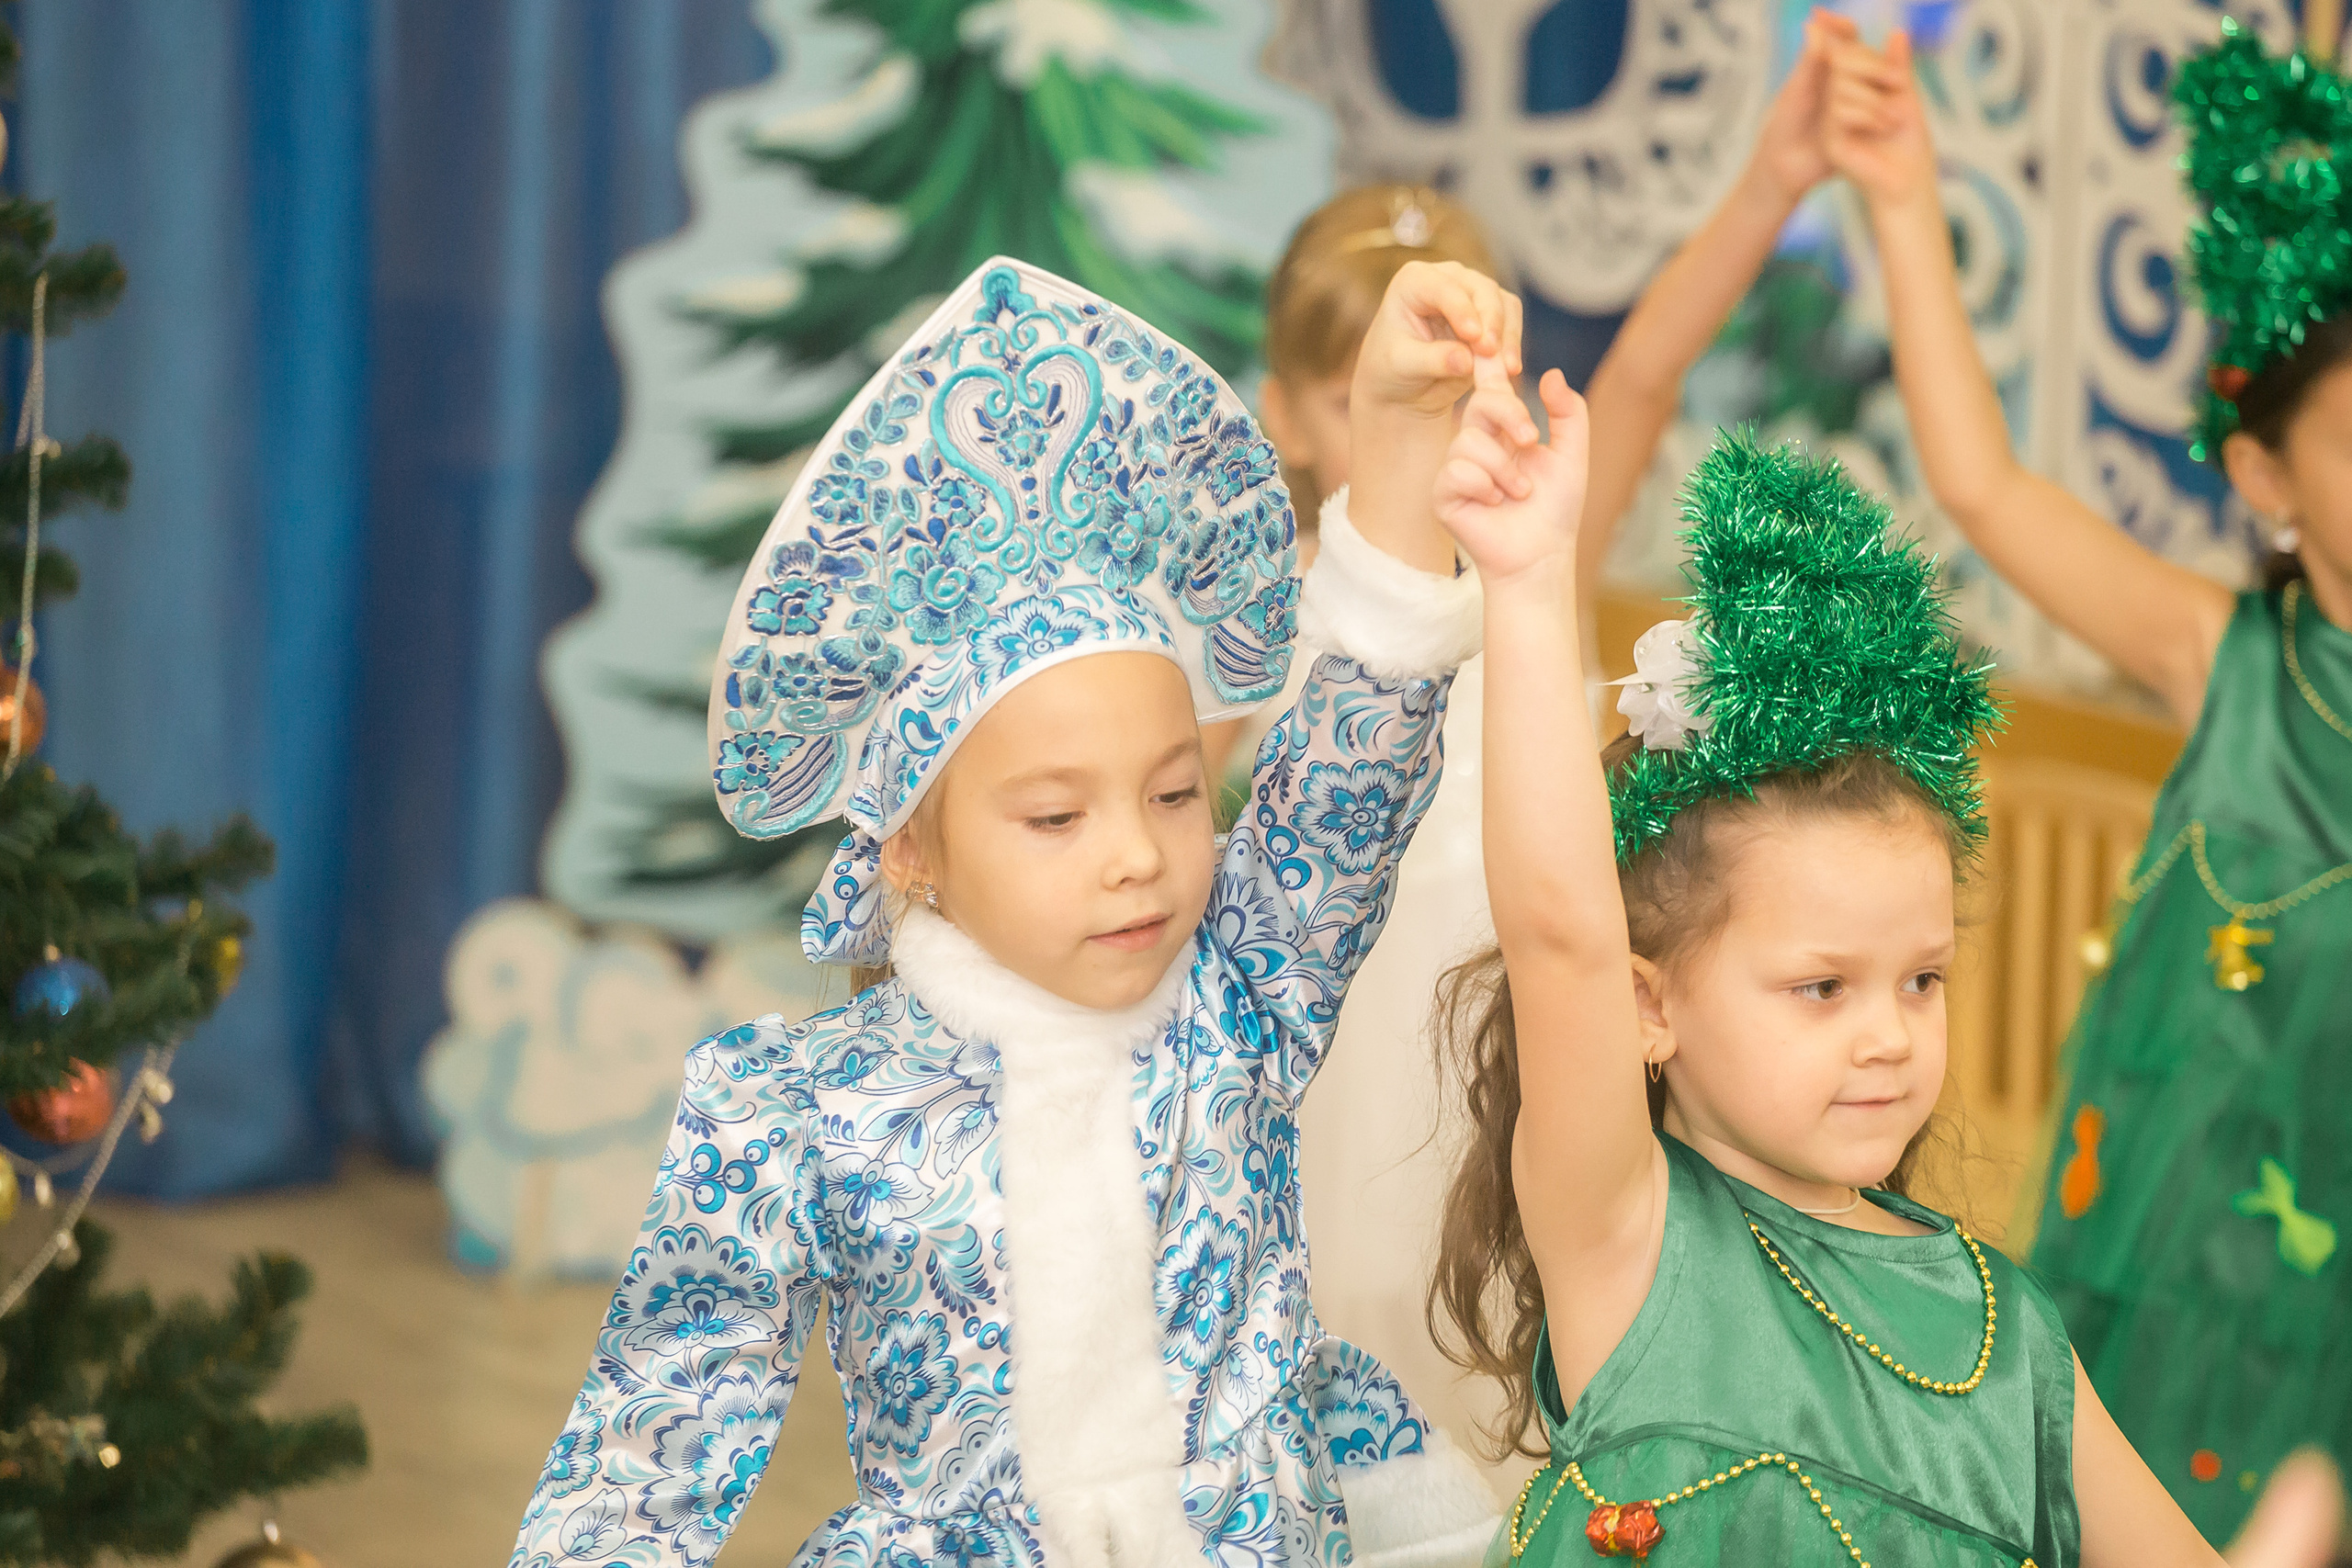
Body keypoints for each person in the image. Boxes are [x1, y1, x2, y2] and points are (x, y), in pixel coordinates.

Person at [506, 253, 1519, 1567]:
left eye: (1170, 796)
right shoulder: (802, 1110)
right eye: (1056, 817)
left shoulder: (1243, 997)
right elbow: (647, 1459)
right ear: (911, 847)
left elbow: (1353, 763)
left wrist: (1391, 438)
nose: (1135, 859)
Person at [1424, 325, 2331, 1562]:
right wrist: (1530, 584)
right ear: (1649, 1006)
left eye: (1921, 980)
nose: (1889, 1036)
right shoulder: (1628, 1243)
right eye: (1819, 988)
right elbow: (1562, 932)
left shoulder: (2013, 1340)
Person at [1239, 13, 1880, 1478]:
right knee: (1355, 1343)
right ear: (1287, 412)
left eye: (1464, 379)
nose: (1422, 415)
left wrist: (1779, 173)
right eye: (1361, 395)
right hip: (1339, 1066)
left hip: (1521, 1042)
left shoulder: (1529, 568)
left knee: (1509, 1348)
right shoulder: (1265, 625)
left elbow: (1648, 360)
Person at [1820, 19, 2352, 1542]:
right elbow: (1982, 485)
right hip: (2151, 1294)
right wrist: (1908, 199)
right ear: (2266, 483)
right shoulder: (2222, 658)